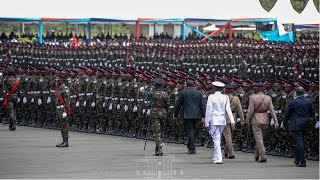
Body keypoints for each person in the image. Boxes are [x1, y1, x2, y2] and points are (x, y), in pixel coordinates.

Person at [246, 83, 279, 163]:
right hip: (265, 119)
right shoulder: (268, 98)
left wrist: (247, 119)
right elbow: (272, 110)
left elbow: (250, 111)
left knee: (259, 138)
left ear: (256, 89)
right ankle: (257, 155)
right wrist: (276, 121)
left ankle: (263, 156)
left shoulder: (253, 97)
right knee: (260, 138)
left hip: (256, 119)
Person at [284, 86, 315, 167]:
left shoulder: (293, 102)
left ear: (296, 93)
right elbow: (312, 113)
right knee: (300, 141)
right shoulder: (308, 101)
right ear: (303, 92)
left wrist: (284, 123)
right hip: (306, 124)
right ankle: (297, 159)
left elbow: (287, 114)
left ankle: (302, 161)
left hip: (296, 124)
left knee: (299, 142)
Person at [205, 81, 235, 164]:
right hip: (222, 120)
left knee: (216, 139)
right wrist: (232, 121)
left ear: (214, 88)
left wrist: (206, 123)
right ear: (222, 89)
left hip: (213, 120)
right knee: (218, 138)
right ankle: (216, 156)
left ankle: (219, 158)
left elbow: (209, 111)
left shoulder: (211, 97)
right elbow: (228, 110)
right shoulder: (225, 97)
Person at [173, 80, 205, 154]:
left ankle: (192, 148)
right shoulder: (199, 93)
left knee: (190, 130)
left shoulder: (183, 92)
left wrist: (175, 114)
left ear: (186, 85)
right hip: (196, 114)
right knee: (193, 130)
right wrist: (203, 116)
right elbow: (202, 106)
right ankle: (190, 145)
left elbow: (178, 105)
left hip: (186, 114)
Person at [223, 84, 245, 159]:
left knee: (227, 136)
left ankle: (231, 153)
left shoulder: (222, 98)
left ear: (225, 90)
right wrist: (242, 119)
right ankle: (225, 151)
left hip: (224, 117)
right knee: (229, 135)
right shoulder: (236, 98)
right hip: (233, 117)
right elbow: (240, 110)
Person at [149, 78, 169, 156]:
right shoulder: (165, 94)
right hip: (163, 113)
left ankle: (159, 147)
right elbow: (167, 104)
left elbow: (149, 103)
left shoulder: (152, 93)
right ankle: (159, 147)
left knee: (157, 131)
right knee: (162, 130)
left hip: (154, 113)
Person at [55, 75, 71, 148]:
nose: (56, 81)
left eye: (58, 80)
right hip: (59, 109)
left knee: (64, 126)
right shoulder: (59, 88)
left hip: (62, 110)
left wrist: (64, 111)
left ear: (61, 80)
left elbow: (67, 102)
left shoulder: (64, 89)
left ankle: (66, 142)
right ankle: (63, 141)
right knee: (61, 125)